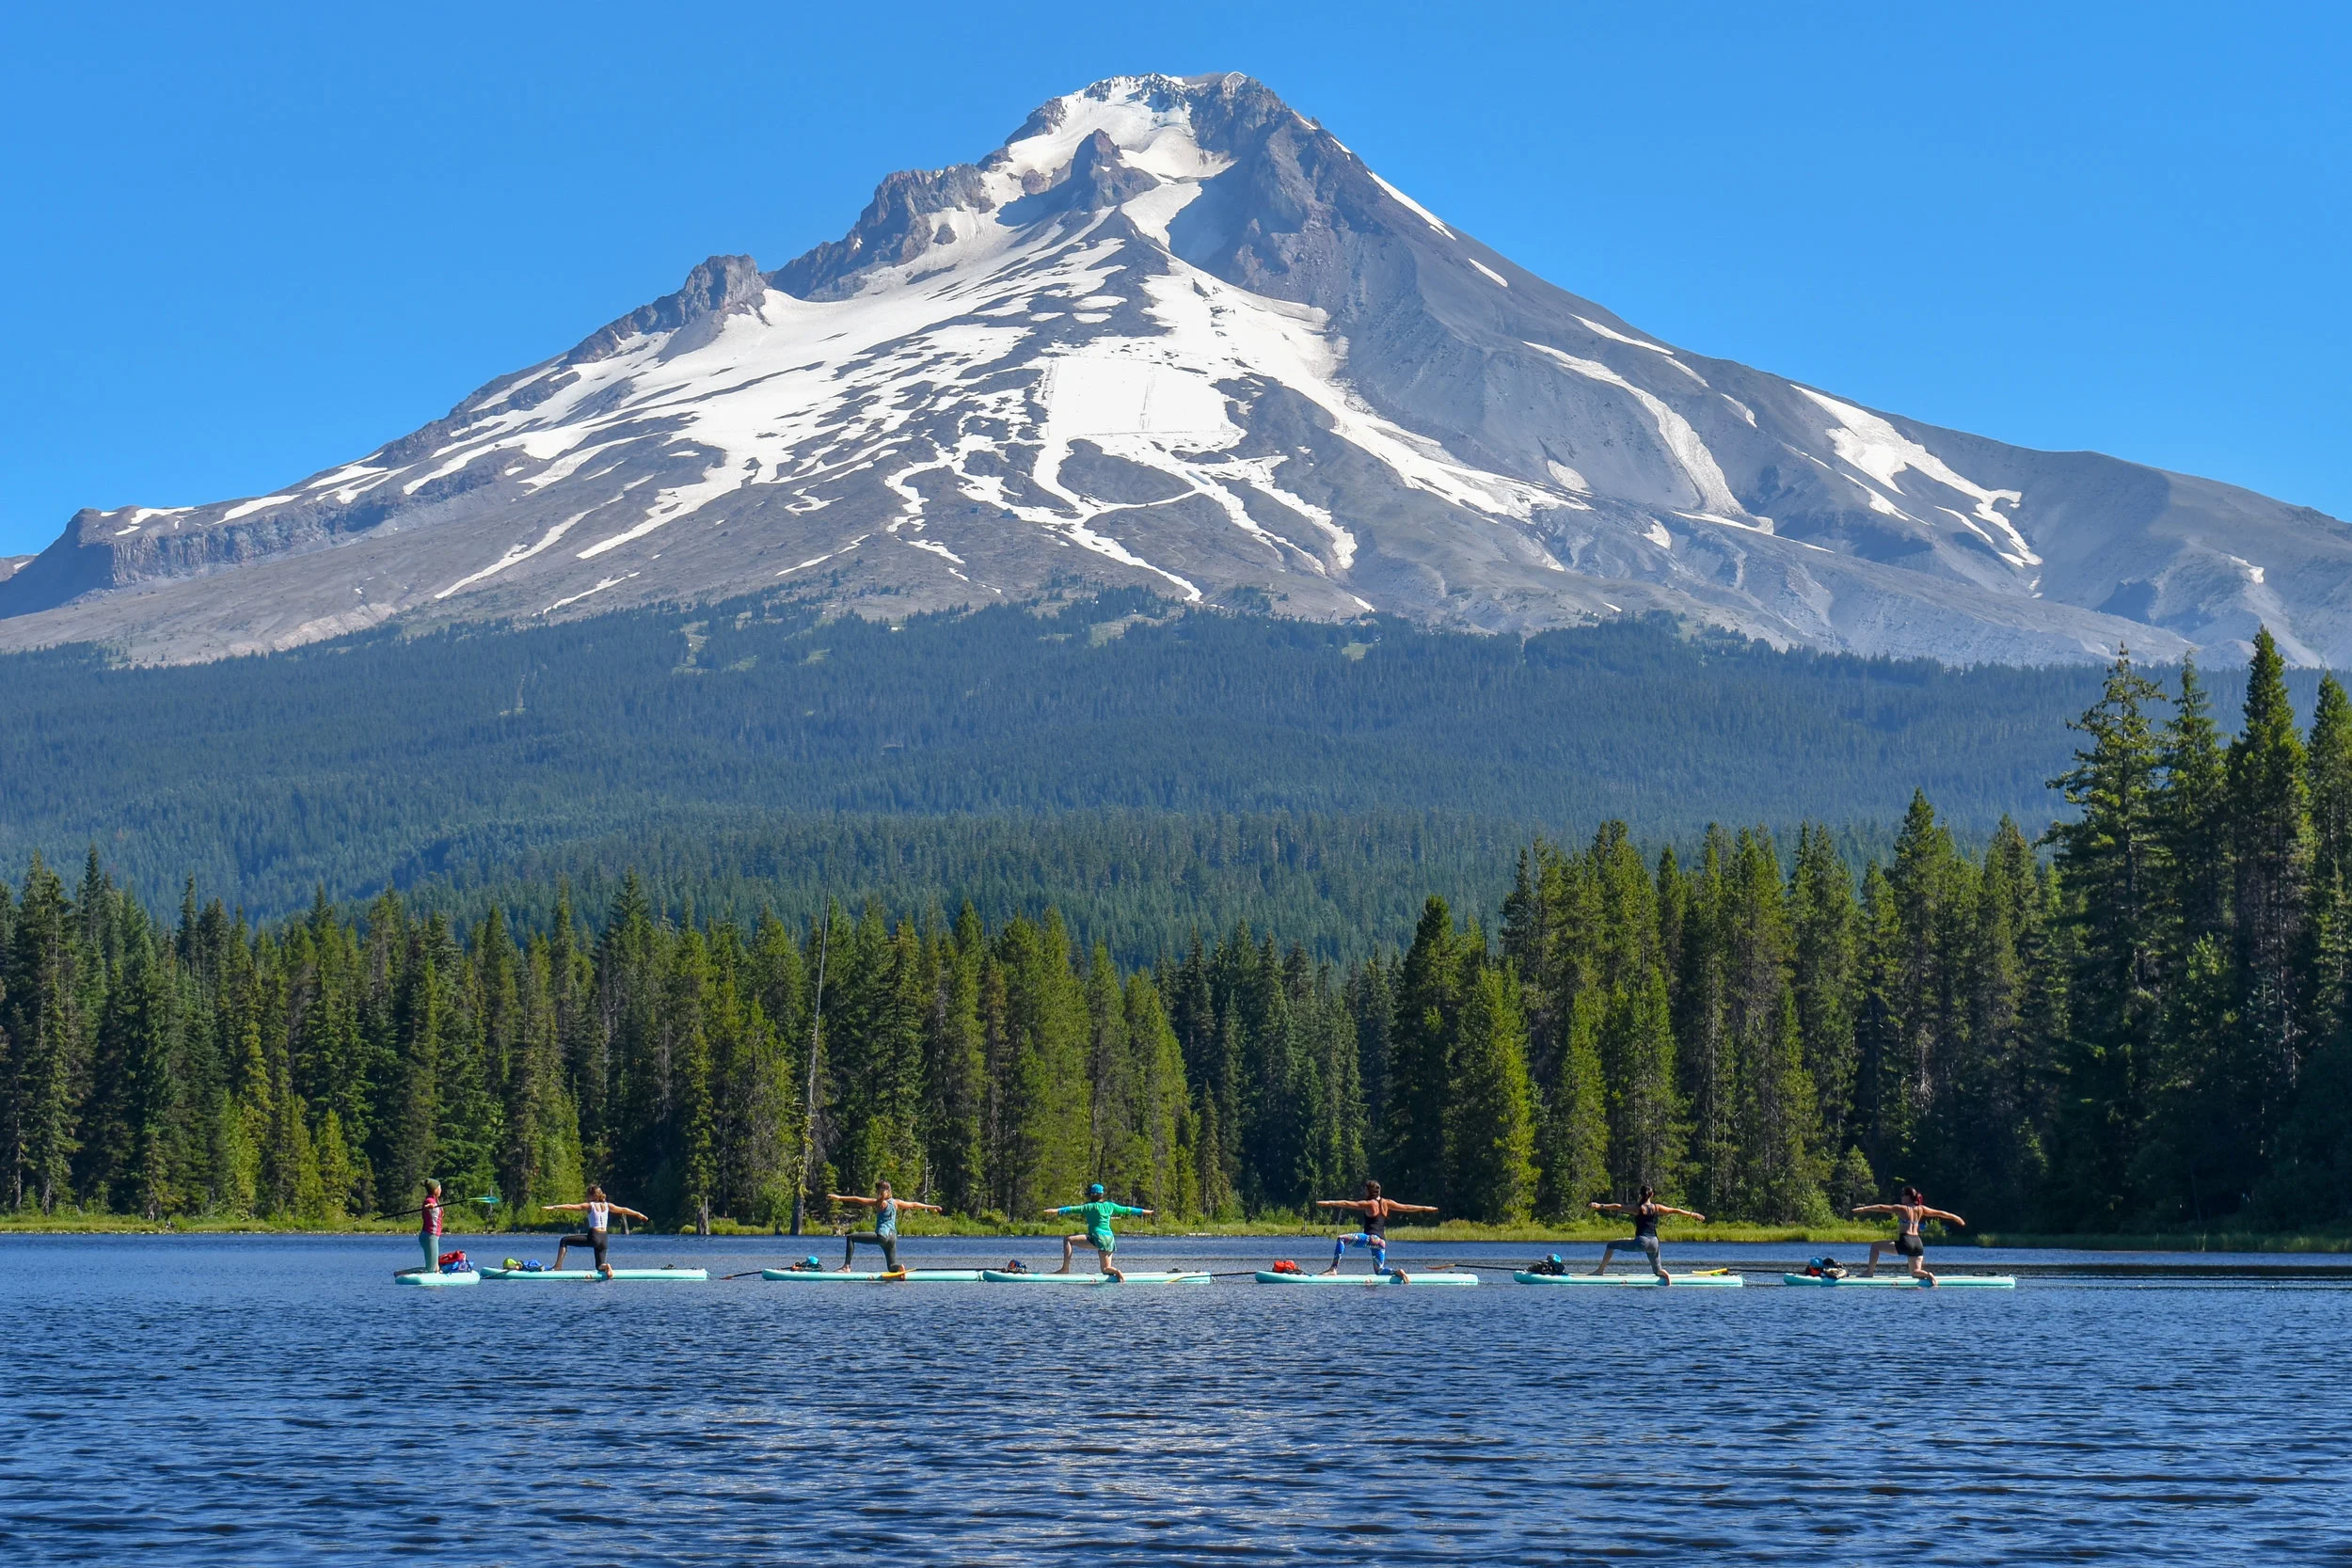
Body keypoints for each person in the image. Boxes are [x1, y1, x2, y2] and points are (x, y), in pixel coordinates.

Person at [1311, 1180, 1438, 1281]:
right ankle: (1397, 1271)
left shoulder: (1370, 1204)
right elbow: (1406, 1207)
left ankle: (1333, 1269)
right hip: (1381, 1242)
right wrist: (1425, 1208)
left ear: (1370, 1192)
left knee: (1341, 1239)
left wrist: (1328, 1203)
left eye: (1365, 1190)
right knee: (1379, 1270)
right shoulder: (1387, 1202)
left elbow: (1347, 1203)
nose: (1364, 1192)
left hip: (1371, 1239)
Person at [1588, 1186, 1706, 1280]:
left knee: (1611, 1245)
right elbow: (1675, 1210)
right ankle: (1663, 1272)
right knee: (1657, 1270)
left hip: (1642, 1241)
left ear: (1641, 1195)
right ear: (1652, 1195)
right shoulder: (1657, 1207)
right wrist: (1693, 1214)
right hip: (1654, 1242)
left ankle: (1600, 1271)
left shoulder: (1638, 1208)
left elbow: (1619, 1207)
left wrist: (1600, 1206)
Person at [1852, 1187, 1965, 1282]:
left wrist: (1863, 1209)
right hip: (1918, 1244)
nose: (1901, 1197)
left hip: (1905, 1241)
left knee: (1875, 1246)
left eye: (1903, 1195)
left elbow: (1881, 1207)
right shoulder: (1921, 1209)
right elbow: (1941, 1213)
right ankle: (1928, 1274)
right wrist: (1956, 1217)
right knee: (1915, 1272)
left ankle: (1869, 1272)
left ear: (1908, 1197)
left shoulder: (1902, 1209)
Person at [827, 1180, 941, 1273]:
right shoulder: (896, 1202)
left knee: (851, 1238)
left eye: (878, 1190)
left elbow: (857, 1199)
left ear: (881, 1191)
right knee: (891, 1267)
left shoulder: (880, 1203)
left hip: (882, 1236)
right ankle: (899, 1268)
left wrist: (840, 1198)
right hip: (893, 1238)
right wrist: (932, 1206)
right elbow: (914, 1204)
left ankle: (846, 1267)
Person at [1045, 1183, 1153, 1280]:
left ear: (1092, 1195)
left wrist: (1056, 1211)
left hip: (1098, 1238)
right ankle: (1116, 1271)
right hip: (1110, 1240)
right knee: (1106, 1269)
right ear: (1102, 1195)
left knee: (1068, 1240)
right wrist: (1147, 1212)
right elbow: (1128, 1210)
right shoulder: (1110, 1206)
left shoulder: (1089, 1207)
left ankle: (1065, 1269)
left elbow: (1072, 1209)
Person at [544, 1186, 648, 1278]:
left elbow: (571, 1207)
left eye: (588, 1195)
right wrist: (638, 1214)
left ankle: (557, 1266)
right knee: (599, 1267)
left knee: (564, 1240)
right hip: (604, 1239)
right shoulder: (608, 1205)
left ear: (593, 1196)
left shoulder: (590, 1206)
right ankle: (607, 1266)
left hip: (594, 1236)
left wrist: (554, 1207)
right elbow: (623, 1209)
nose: (586, 1198)